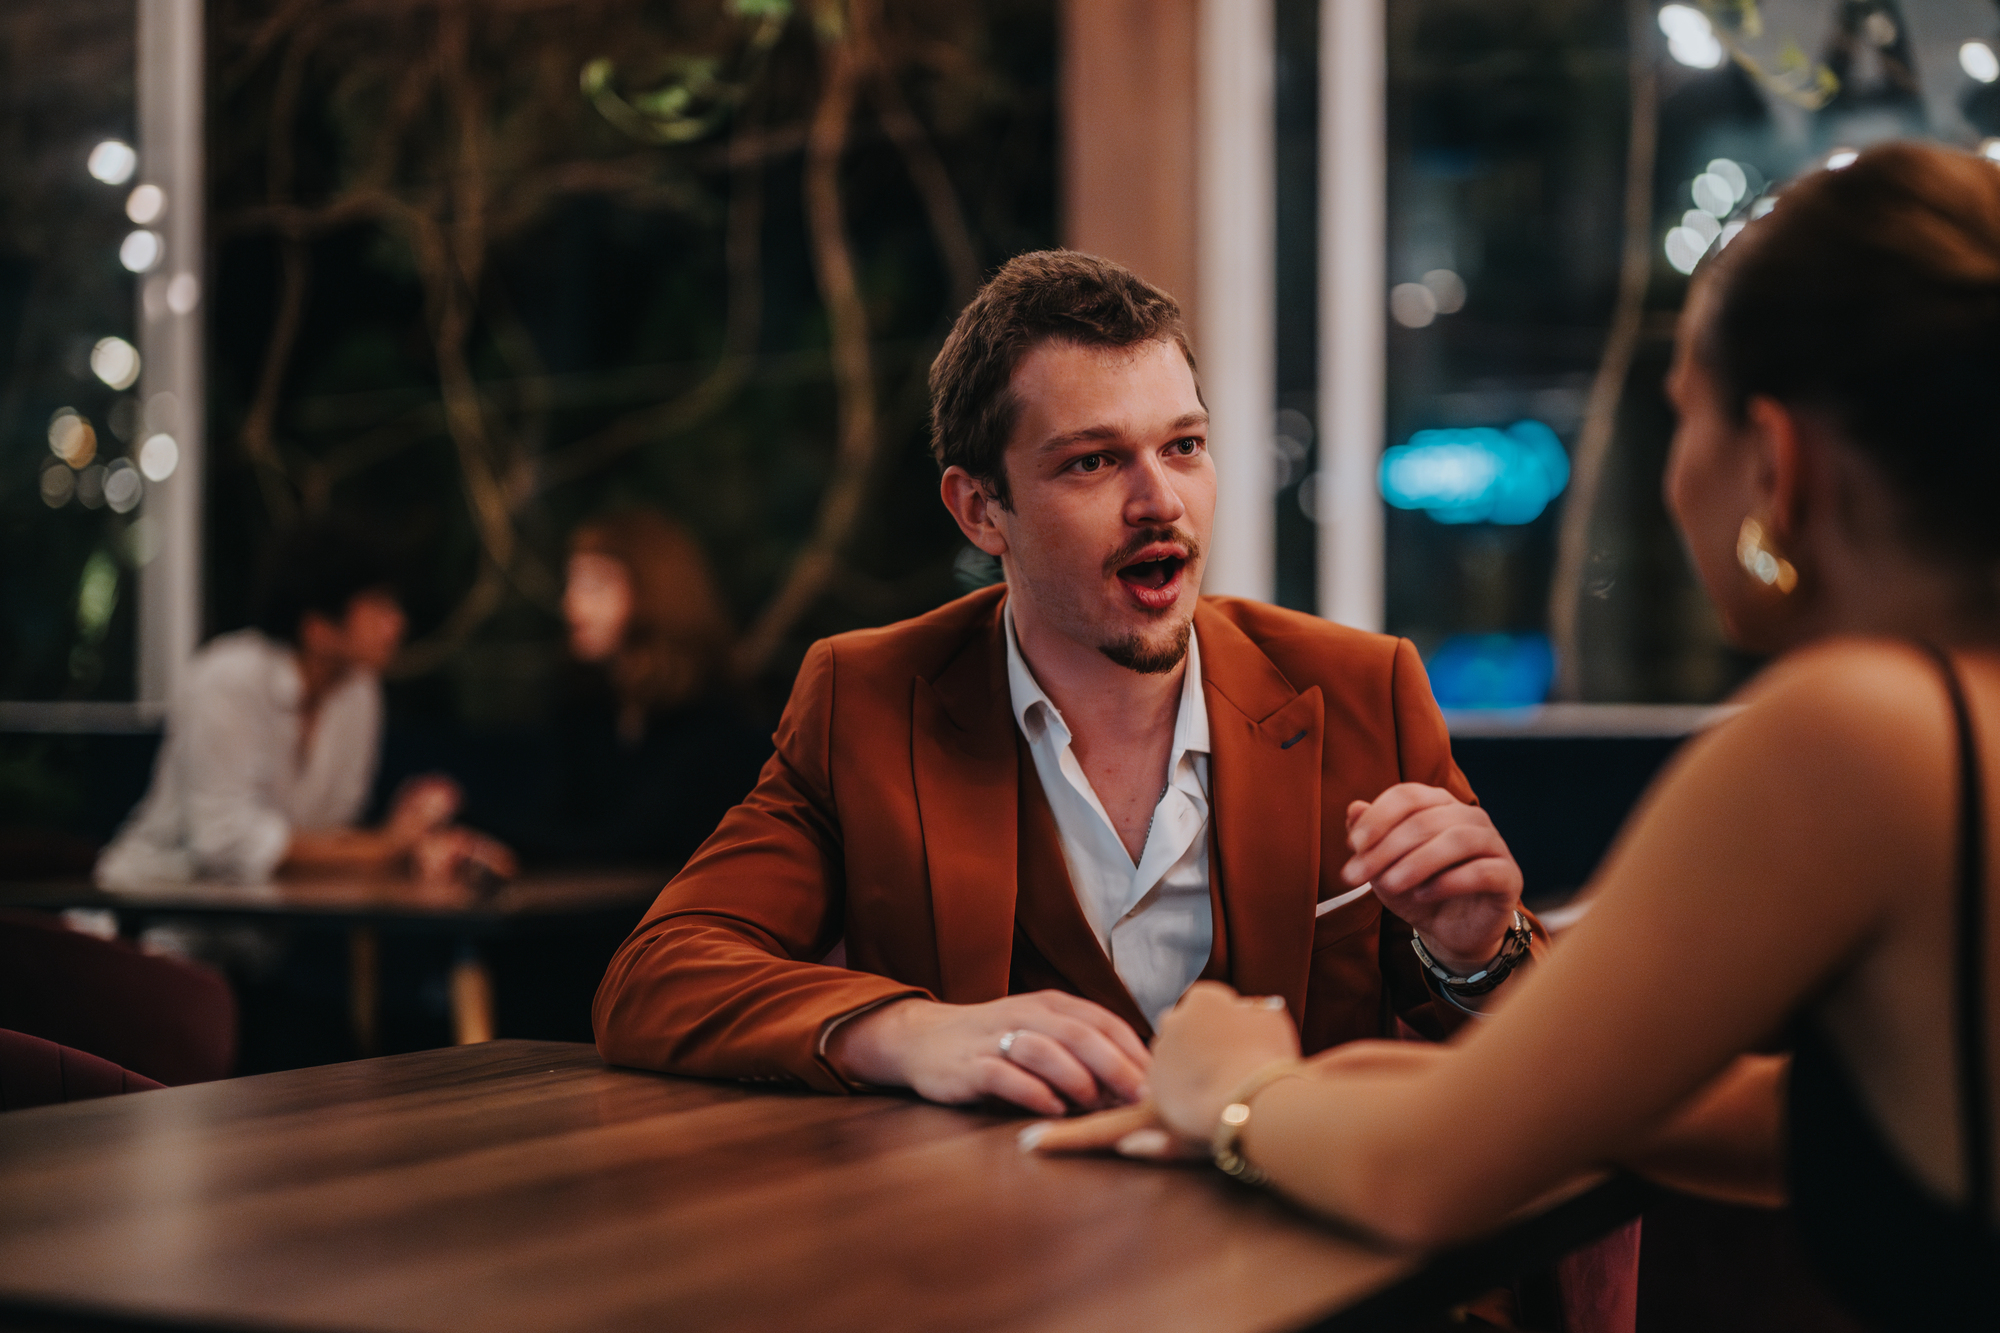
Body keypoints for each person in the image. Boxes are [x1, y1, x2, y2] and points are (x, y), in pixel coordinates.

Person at [1030, 142, 2000, 1327]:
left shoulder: (1859, 732)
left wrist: (1229, 1092)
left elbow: (1424, 1177)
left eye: (1681, 411)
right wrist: (1392, 1084)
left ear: (1777, 460)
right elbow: (1774, 1124)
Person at [595, 250, 1538, 1118]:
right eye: (1093, 461)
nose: (1159, 500)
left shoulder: (1362, 689)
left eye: (1183, 446)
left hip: (1295, 1256)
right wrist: (914, 1032)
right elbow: (659, 974)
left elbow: (1532, 1050)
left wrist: (1474, 954)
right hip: (1001, 1266)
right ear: (980, 509)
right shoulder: (867, 700)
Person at [96, 523, 512, 887]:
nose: (397, 623)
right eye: (378, 606)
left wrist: (409, 838)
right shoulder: (230, 679)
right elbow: (223, 842)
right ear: (318, 628)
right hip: (151, 922)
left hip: (259, 939)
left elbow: (329, 833)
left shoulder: (358, 692)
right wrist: (383, 848)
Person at [523, 508, 769, 868]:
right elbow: (557, 822)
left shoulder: (712, 717)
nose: (571, 604)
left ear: (654, 591)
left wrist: (471, 821)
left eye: (596, 585)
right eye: (572, 584)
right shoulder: (587, 708)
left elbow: (631, 847)